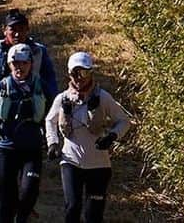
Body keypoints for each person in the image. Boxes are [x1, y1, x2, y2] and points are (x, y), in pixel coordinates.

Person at [45, 51, 132, 223]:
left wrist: (112, 136)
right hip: (71, 162)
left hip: (99, 165)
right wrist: (53, 143)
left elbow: (124, 121)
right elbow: (50, 121)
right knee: (72, 208)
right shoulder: (62, 99)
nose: (79, 78)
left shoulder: (103, 97)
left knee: (93, 215)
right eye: (74, 73)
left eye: (83, 72)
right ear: (68, 74)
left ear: (91, 72)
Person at [0, 43, 49, 223]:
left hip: (32, 149)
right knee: (7, 201)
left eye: (23, 63)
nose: (19, 67)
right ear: (9, 65)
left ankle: (22, 217)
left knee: (29, 193)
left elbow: (53, 112)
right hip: (6, 149)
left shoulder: (40, 85)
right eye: (15, 63)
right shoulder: (2, 86)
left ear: (30, 64)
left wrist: (52, 136)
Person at [0, 7, 59, 101]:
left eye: (21, 29)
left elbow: (50, 81)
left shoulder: (38, 52)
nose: (17, 34)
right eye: (13, 30)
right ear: (4, 30)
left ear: (27, 30)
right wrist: (6, 87)